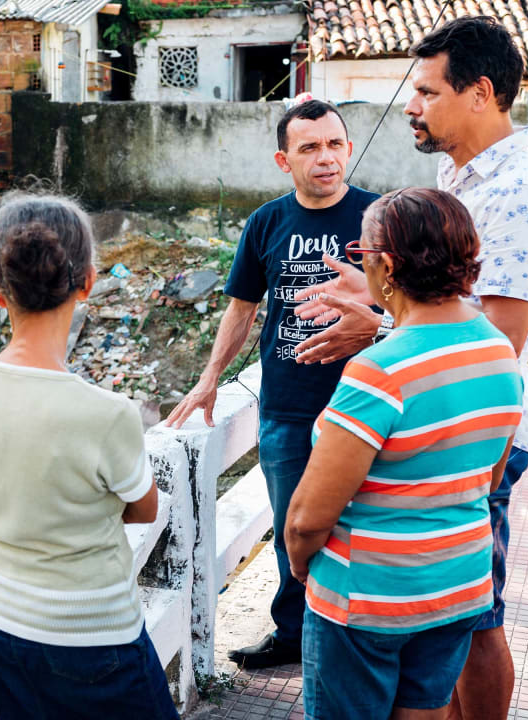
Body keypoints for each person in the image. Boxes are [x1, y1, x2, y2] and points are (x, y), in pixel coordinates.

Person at [293, 18, 528, 718]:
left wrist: (380, 324)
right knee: (439, 617)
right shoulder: (458, 174)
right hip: (439, 414)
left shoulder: (519, 195)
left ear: (479, 94)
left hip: (474, 425)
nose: (412, 105)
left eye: (426, 90)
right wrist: (375, 290)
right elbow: (451, 299)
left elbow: (496, 342)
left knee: (475, 621)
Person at [0, 193, 179, 720]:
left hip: (2, 620)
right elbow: (144, 510)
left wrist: (11, 511)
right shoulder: (108, 413)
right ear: (89, 281)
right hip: (93, 634)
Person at [286, 188, 524, 720]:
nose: (362, 265)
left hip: (365, 598)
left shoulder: (380, 371)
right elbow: (488, 480)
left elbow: (307, 520)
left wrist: (304, 567)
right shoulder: (500, 352)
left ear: (387, 266)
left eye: (363, 255)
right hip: (458, 586)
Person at [162, 98, 380, 669]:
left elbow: (412, 306)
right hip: (286, 407)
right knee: (292, 533)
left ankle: (355, 637)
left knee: (362, 526)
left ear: (349, 149)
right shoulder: (266, 222)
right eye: (309, 148)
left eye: (334, 144)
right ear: (285, 161)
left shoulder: (380, 219)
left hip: (367, 403)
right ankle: (294, 634)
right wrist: (209, 378)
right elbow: (241, 309)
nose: (325, 158)